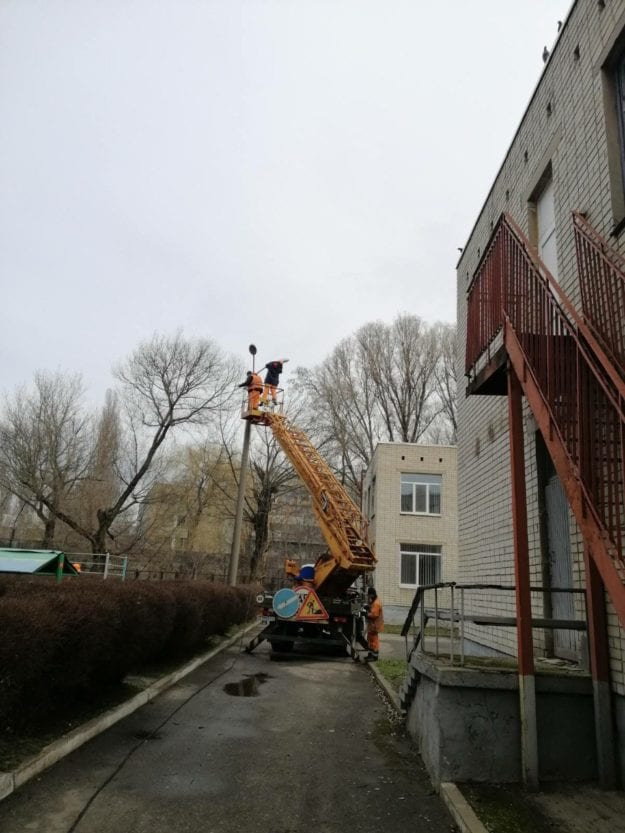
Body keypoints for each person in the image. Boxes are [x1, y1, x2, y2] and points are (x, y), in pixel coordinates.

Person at [365, 586, 384, 661]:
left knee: (373, 641)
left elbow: (374, 614)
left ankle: (374, 656)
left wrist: (366, 614)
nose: (368, 597)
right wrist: (368, 608)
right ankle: (370, 655)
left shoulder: (376, 603)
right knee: (370, 640)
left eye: (369, 595)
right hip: (373, 625)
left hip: (375, 625)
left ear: (372, 594)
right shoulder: (375, 601)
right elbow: (372, 610)